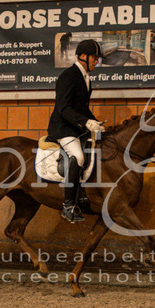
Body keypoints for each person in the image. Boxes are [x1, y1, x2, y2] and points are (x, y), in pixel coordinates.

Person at [47, 39, 105, 223]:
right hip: (63, 128)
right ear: (83, 56)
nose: (97, 61)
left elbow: (82, 108)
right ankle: (68, 206)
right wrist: (86, 122)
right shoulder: (68, 76)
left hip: (76, 128)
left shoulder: (85, 77)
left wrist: (96, 123)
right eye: (95, 58)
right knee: (78, 157)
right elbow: (63, 108)